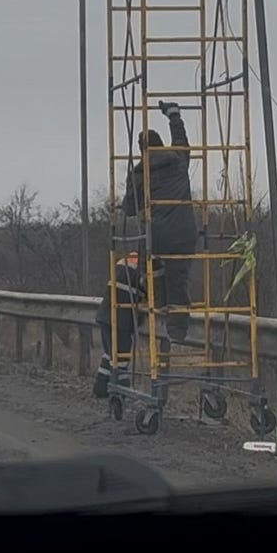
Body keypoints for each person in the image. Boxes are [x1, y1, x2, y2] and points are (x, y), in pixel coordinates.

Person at [121, 100, 196, 348]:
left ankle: (162, 320)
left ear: (142, 149)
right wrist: (174, 115)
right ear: (161, 144)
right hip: (185, 231)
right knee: (179, 277)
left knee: (154, 272)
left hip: (157, 235)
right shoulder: (178, 160)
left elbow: (130, 209)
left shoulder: (139, 172)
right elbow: (182, 141)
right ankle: (178, 331)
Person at [92, 251, 154, 398]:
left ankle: (101, 388)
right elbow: (149, 291)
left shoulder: (122, 263)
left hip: (106, 315)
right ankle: (121, 391)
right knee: (122, 357)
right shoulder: (142, 270)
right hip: (122, 319)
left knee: (110, 354)